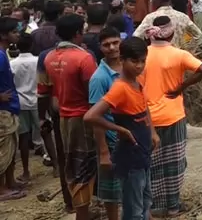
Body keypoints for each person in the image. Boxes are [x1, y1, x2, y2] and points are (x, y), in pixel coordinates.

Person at [139, 16, 202, 217]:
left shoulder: (141, 56)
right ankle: (173, 206)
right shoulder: (179, 54)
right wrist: (182, 86)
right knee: (175, 162)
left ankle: (155, 206)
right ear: (171, 33)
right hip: (173, 115)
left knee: (153, 163)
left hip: (148, 118)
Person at [85, 37, 157, 220]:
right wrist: (120, 130)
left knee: (145, 199)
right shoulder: (120, 88)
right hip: (129, 155)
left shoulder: (137, 82)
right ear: (122, 60)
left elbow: (144, 107)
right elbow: (91, 116)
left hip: (142, 151)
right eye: (134, 61)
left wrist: (153, 132)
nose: (139, 66)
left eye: (142, 61)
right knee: (133, 207)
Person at [40, 14, 98, 220]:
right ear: (77, 34)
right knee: (85, 161)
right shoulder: (84, 58)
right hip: (83, 117)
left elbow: (44, 90)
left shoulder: (49, 57)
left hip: (63, 117)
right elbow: (93, 92)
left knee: (72, 160)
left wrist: (43, 117)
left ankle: (79, 205)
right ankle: (82, 211)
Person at [88, 26, 123, 220]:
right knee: (111, 192)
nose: (111, 48)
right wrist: (103, 151)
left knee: (137, 184)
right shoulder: (99, 78)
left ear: (121, 42)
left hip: (130, 136)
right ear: (101, 48)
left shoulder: (129, 67)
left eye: (115, 43)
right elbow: (95, 117)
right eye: (106, 45)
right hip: (111, 140)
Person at [10, 33, 40, 185]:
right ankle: (55, 164)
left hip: (21, 101)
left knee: (24, 136)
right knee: (45, 132)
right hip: (37, 100)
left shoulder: (13, 64)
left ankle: (26, 171)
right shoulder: (37, 61)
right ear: (32, 45)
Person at [133, 0, 202, 49]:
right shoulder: (183, 17)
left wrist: (147, 50)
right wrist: (187, 49)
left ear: (157, 0)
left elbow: (136, 36)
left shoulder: (150, 18)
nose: (151, 1)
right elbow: (198, 35)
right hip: (179, 58)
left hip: (159, 57)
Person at [0, 17, 23, 200]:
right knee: (3, 150)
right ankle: (2, 189)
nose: (18, 34)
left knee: (11, 146)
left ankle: (10, 181)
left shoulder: (4, 54)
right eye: (14, 32)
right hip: (3, 109)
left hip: (10, 107)